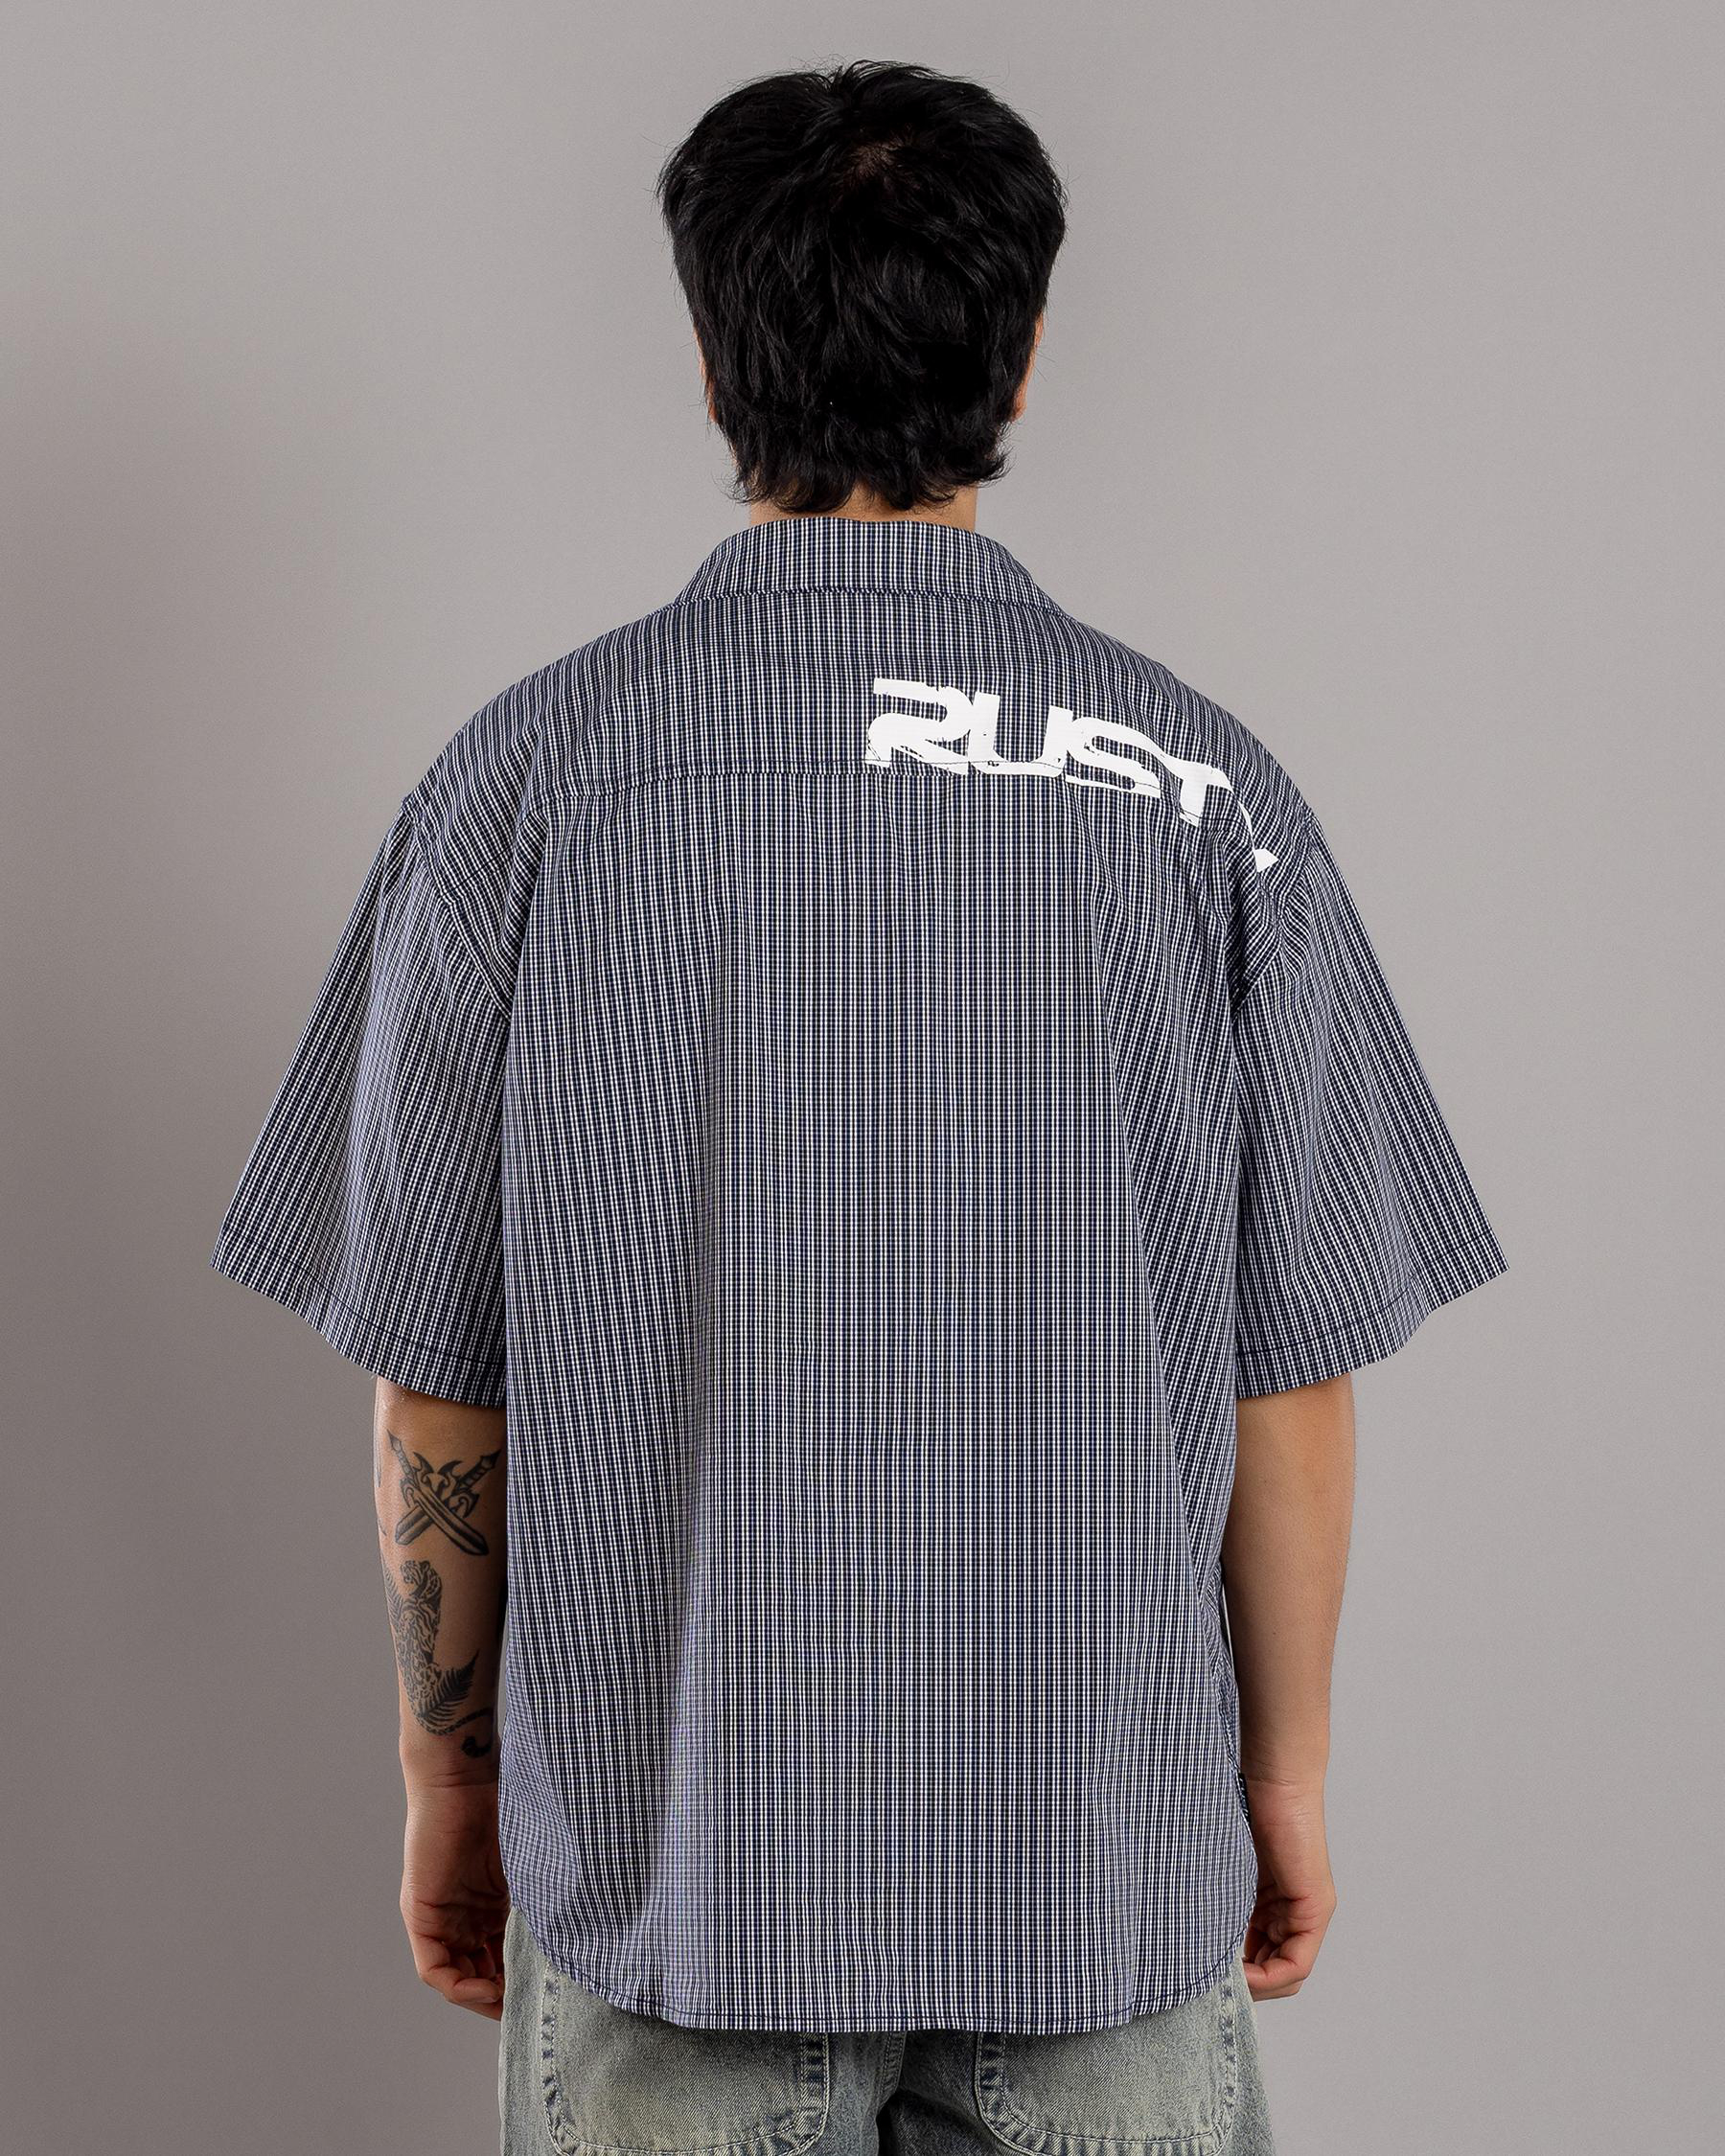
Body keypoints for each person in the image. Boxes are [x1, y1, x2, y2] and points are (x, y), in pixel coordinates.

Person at [210, 58, 1508, 2156]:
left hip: (674, 1901)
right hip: (1100, 1890)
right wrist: (1283, 1780)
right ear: (1026, 344)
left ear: (714, 352)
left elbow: (442, 1388)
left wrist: (451, 1780)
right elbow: (1287, 1385)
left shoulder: (518, 790)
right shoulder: (1212, 801)